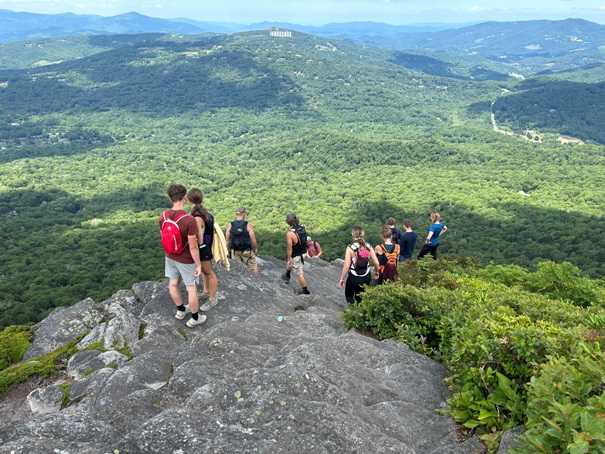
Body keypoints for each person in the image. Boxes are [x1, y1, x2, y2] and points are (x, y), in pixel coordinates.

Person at [159, 184, 206, 328]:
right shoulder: (189, 220)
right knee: (191, 288)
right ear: (185, 198)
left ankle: (180, 311)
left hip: (170, 255)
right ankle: (195, 318)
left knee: (173, 283)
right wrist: (198, 264)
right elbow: (193, 246)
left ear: (170, 198)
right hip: (186, 259)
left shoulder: (163, 216)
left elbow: (163, 237)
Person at [186, 187, 219, 311]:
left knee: (209, 273)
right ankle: (206, 291)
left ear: (189, 200)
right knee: (206, 272)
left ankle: (212, 298)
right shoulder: (206, 213)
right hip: (207, 246)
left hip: (202, 248)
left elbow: (198, 238)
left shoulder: (196, 218)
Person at [339, 226, 380, 304]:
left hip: (354, 277)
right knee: (360, 298)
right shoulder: (368, 247)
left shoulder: (350, 248)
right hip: (366, 276)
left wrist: (342, 278)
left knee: (349, 296)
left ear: (353, 235)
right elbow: (376, 263)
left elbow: (346, 266)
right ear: (363, 234)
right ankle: (360, 313)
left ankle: (352, 313)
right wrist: (376, 272)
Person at [225, 206, 259, 277]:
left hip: (235, 251)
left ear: (236, 214)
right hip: (246, 250)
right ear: (244, 214)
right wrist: (255, 249)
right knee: (253, 267)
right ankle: (257, 282)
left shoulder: (230, 225)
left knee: (237, 269)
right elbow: (253, 240)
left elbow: (227, 240)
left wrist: (227, 250)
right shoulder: (248, 225)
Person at [281, 213, 310, 295]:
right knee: (291, 261)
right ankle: (287, 274)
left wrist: (288, 260)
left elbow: (290, 248)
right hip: (304, 252)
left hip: (297, 255)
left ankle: (305, 290)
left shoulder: (290, 233)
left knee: (299, 273)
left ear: (288, 222)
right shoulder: (303, 228)